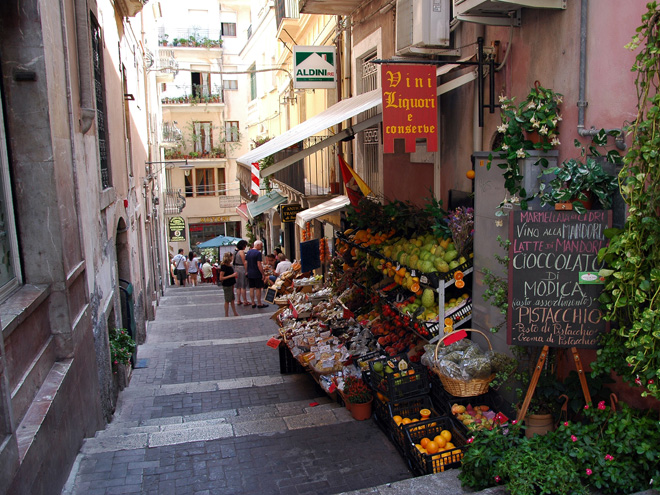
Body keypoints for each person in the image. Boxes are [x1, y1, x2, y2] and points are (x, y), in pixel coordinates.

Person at [245, 240, 268, 308]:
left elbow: (246, 263)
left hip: (250, 273)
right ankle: (259, 303)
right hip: (256, 272)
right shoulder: (258, 253)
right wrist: (263, 274)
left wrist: (247, 271)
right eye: (261, 246)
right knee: (258, 288)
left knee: (251, 288)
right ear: (257, 245)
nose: (261, 247)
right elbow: (259, 264)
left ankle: (252, 302)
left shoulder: (248, 252)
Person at [218, 252, 240, 317]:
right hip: (227, 284)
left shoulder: (229, 265)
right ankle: (226, 314)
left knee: (232, 299)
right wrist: (232, 275)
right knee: (227, 300)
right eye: (231, 257)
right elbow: (221, 278)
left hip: (231, 284)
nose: (232, 258)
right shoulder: (224, 266)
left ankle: (235, 312)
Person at [233, 240, 249, 306]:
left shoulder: (234, 252)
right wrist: (246, 270)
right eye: (245, 246)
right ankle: (245, 300)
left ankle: (238, 300)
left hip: (236, 269)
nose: (245, 247)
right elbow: (244, 262)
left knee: (238, 286)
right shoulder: (241, 252)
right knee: (243, 285)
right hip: (241, 268)